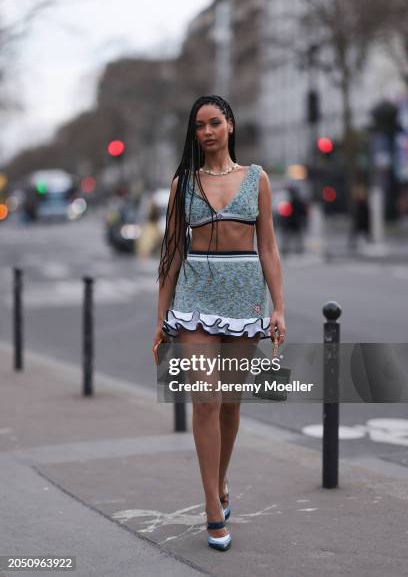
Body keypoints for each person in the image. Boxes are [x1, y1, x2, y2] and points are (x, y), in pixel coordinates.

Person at [152, 95, 286, 551]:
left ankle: (222, 479)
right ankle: (212, 504)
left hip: (245, 294)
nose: (206, 132)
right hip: (195, 294)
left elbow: (267, 247)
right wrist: (160, 317)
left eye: (214, 122)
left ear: (230, 125)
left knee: (231, 401)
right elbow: (171, 255)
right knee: (205, 400)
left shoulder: (257, 179)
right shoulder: (182, 183)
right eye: (199, 126)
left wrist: (278, 308)